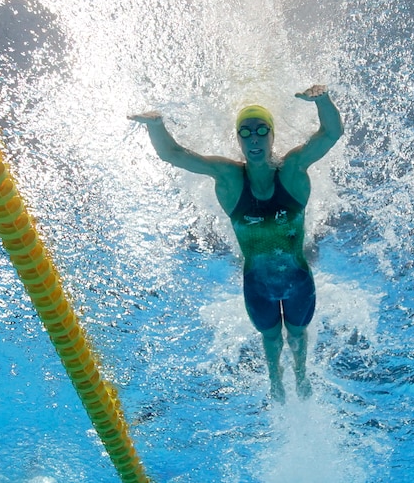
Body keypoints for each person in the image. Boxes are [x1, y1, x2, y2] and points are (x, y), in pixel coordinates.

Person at [128, 85, 343, 402]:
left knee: (297, 334)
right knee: (271, 338)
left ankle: (300, 375)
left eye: (260, 131)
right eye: (245, 132)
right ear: (238, 139)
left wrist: (323, 100)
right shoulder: (228, 177)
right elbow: (172, 155)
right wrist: (156, 124)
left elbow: (330, 134)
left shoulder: (293, 170)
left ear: (272, 135)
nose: (253, 139)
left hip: (297, 279)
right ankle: (276, 383)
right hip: (257, 284)